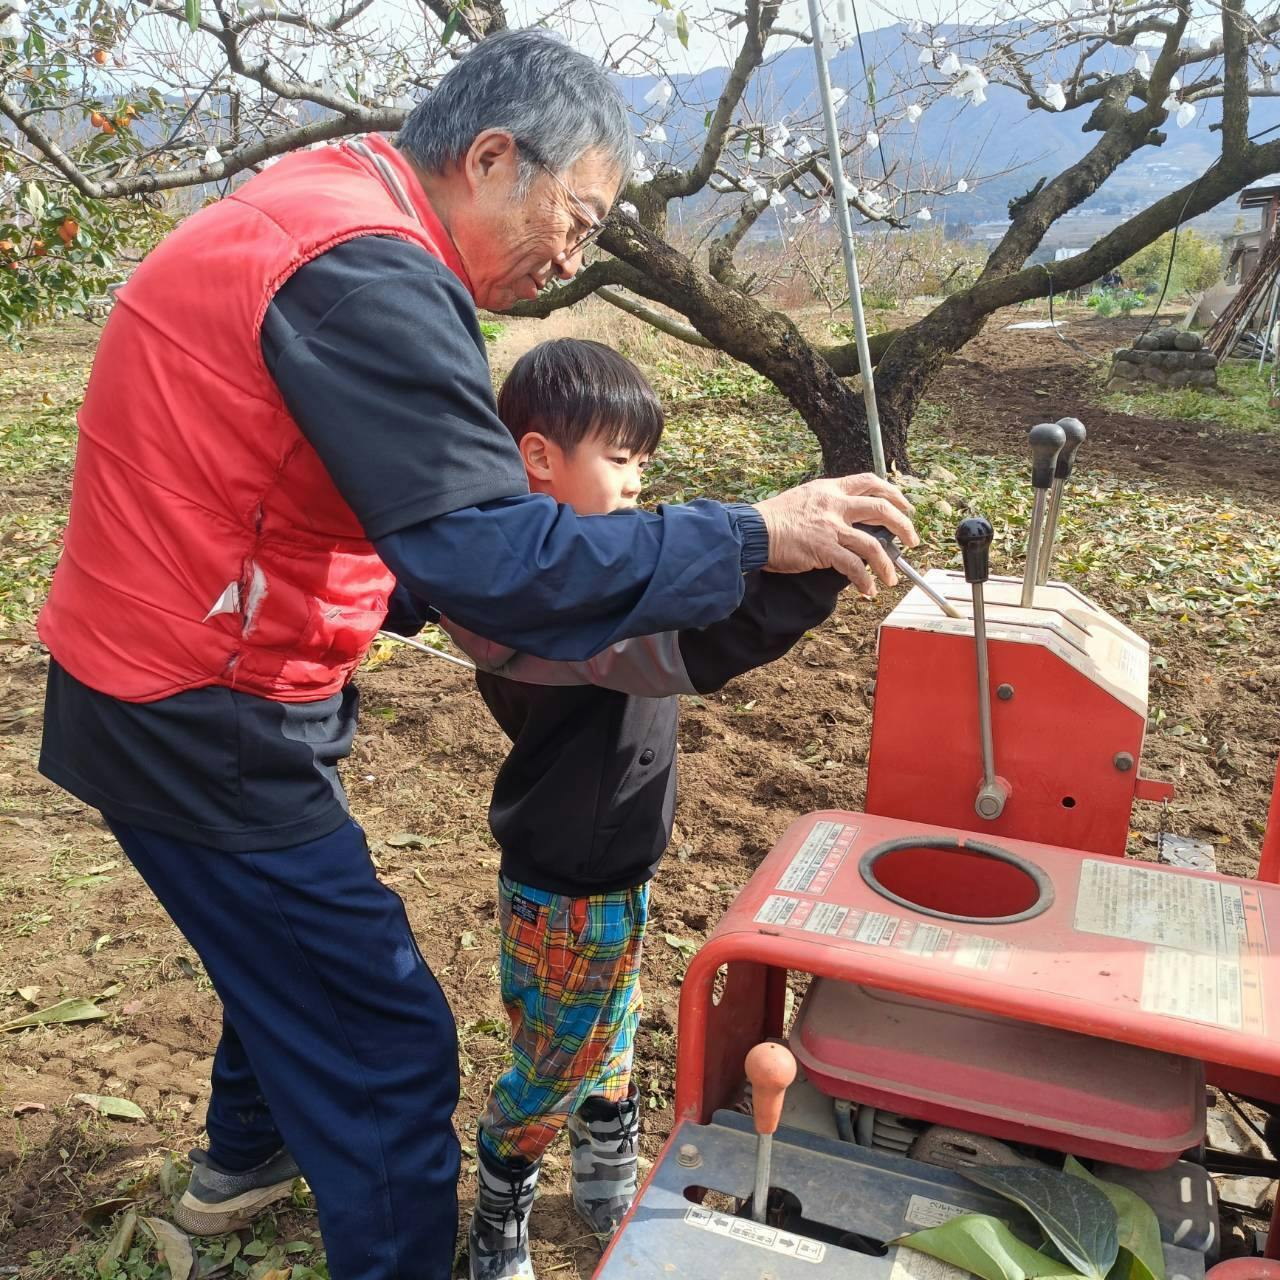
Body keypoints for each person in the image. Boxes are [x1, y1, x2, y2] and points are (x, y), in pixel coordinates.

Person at [34, 28, 916, 1280]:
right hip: (200, 703)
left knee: (280, 946)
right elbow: (496, 560)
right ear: (494, 158)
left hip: (169, 663)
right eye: (579, 216)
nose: (576, 253)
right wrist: (749, 534)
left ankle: (243, 1159)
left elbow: (375, 515)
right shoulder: (367, 274)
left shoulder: (322, 204)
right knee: (382, 1041)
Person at [438, 339, 854, 1280]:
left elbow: (672, 569)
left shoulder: (572, 570)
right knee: (553, 1060)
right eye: (620, 460)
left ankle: (605, 1169)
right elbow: (707, 638)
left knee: (611, 1026)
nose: (637, 484)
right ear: (539, 457)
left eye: (643, 463)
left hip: (614, 865)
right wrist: (820, 565)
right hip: (565, 884)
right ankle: (501, 1197)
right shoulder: (553, 610)